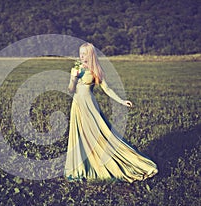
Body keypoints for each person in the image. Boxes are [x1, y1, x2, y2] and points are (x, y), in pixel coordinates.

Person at [64, 43, 158, 183]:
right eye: (80, 53)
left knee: (99, 134)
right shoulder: (76, 69)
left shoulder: (96, 70)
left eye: (84, 53)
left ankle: (108, 162)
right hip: (77, 105)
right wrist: (73, 78)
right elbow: (71, 90)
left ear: (91, 55)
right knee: (79, 136)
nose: (81, 56)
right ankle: (81, 167)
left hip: (90, 106)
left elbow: (107, 89)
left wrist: (121, 101)